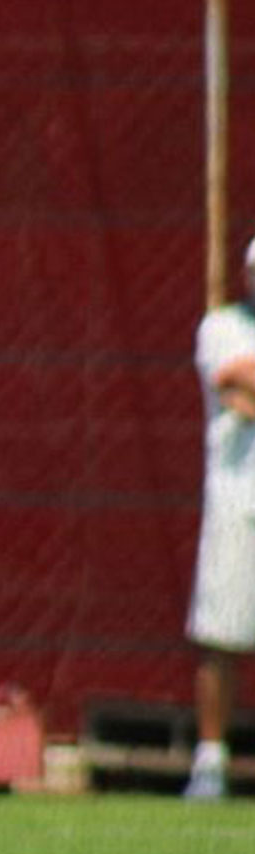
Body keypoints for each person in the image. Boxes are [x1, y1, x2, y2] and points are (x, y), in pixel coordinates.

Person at [182, 236, 255, 801]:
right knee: (221, 634)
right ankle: (210, 760)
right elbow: (234, 378)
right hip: (236, 500)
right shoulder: (222, 325)